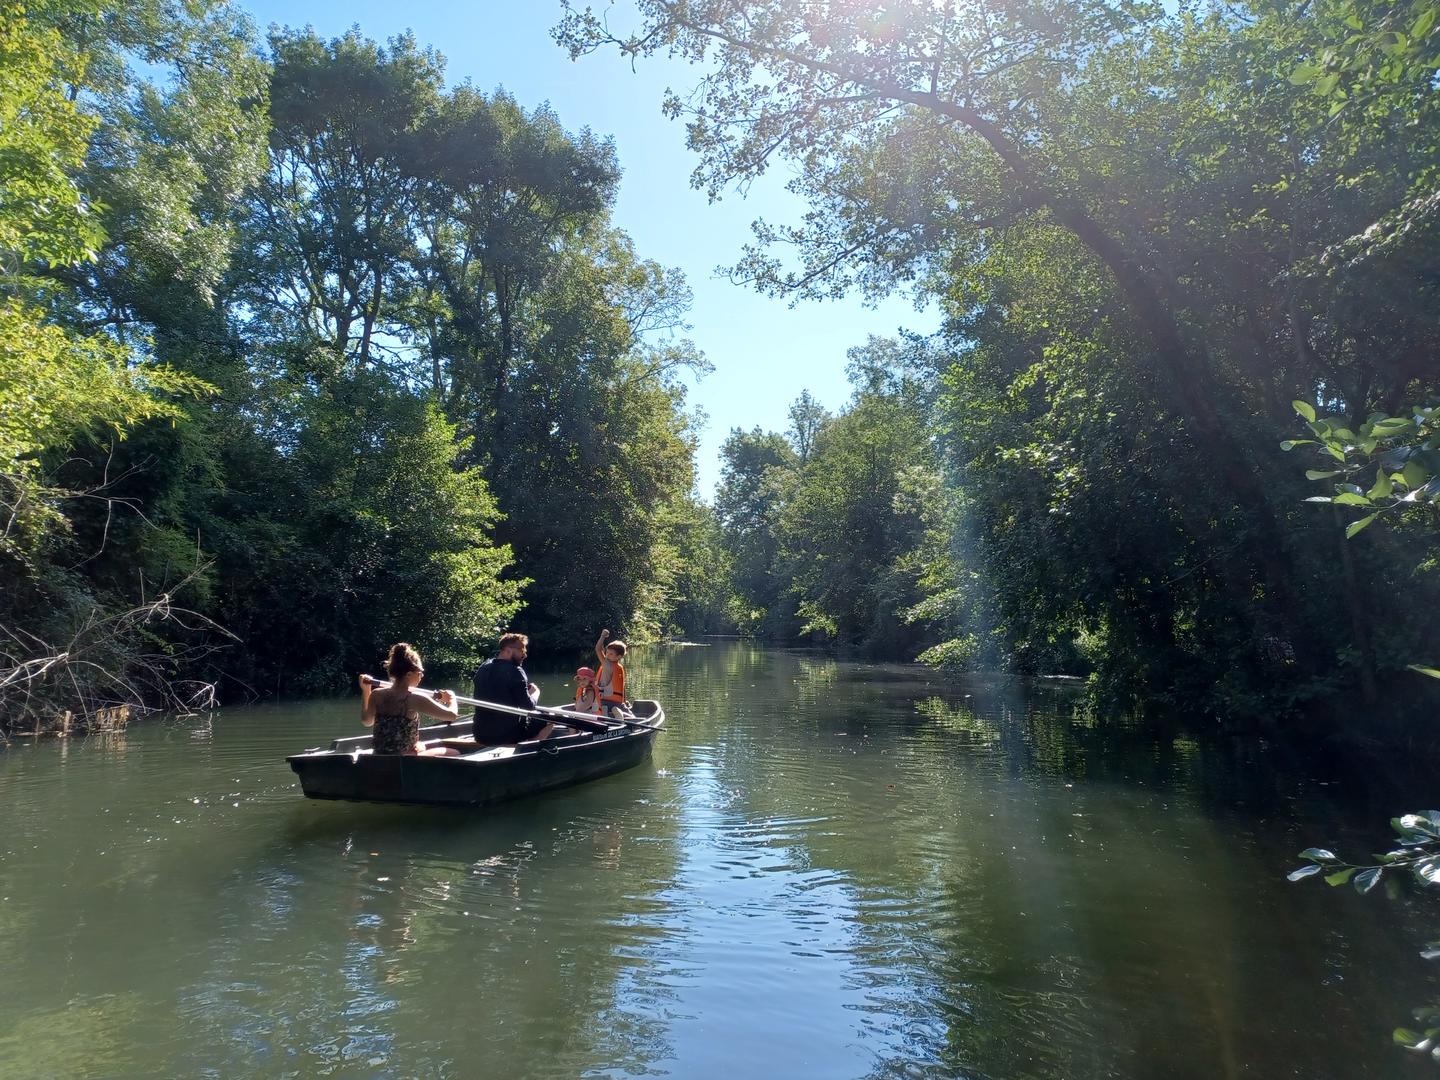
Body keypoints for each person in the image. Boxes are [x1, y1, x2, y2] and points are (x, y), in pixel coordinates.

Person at [358, 643, 460, 756]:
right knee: (454, 752)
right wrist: (451, 697)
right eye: (420, 673)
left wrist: (366, 690)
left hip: (378, 757)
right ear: (409, 674)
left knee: (421, 745)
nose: (421, 676)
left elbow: (367, 721)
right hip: (403, 760)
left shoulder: (376, 694)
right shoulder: (414, 699)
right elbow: (451, 715)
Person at [471, 632, 555, 743]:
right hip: (507, 735)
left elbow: (500, 694)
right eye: (522, 650)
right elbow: (528, 707)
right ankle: (529, 747)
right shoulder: (516, 671)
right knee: (550, 718)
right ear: (508, 650)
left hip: (480, 735)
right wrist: (535, 692)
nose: (525, 655)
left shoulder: (483, 668)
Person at [594, 628, 630, 718]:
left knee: (608, 709)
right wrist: (602, 636)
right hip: (615, 702)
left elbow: (622, 686)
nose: (607, 655)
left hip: (604, 701)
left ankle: (609, 712)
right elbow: (598, 649)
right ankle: (616, 713)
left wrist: (602, 636)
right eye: (607, 652)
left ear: (619, 656)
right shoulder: (608, 664)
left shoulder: (614, 666)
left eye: (611, 654)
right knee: (632, 717)